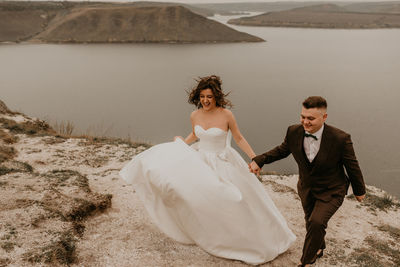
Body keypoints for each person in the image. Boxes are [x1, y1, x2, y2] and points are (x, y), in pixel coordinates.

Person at [120, 75, 295, 265]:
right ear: (198, 96)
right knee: (198, 197)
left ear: (216, 97)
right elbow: (196, 134)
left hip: (223, 161)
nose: (205, 100)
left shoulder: (226, 115)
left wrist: (255, 158)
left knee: (234, 198)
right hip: (200, 160)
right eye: (202, 96)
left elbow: (238, 138)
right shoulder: (195, 115)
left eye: (209, 97)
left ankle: (244, 239)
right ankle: (209, 232)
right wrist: (181, 145)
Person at [249, 96, 366, 267]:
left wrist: (359, 190)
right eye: (303, 117)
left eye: (310, 118)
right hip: (306, 188)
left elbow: (352, 166)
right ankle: (319, 247)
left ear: (324, 117)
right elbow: (281, 150)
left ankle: (306, 261)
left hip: (332, 189)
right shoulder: (293, 131)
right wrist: (259, 160)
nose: (305, 121)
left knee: (316, 222)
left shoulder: (340, 138)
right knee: (311, 221)